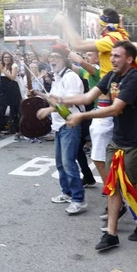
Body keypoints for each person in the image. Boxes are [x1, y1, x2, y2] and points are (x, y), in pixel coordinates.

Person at [57, 41, 137, 249]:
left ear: (129, 59)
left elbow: (115, 109)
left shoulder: (135, 78)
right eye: (111, 55)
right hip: (117, 140)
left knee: (128, 185)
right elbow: (87, 96)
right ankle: (111, 235)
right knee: (113, 186)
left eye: (117, 56)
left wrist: (81, 116)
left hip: (136, 142)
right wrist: (60, 101)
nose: (112, 59)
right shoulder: (111, 76)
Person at [36, 45, 86, 215]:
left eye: (56, 57)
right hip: (59, 125)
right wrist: (39, 94)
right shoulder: (58, 77)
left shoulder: (70, 77)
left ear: (65, 60)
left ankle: (78, 200)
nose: (52, 60)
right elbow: (55, 99)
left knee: (68, 163)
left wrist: (48, 110)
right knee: (60, 162)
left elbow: (70, 102)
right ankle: (67, 192)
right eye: (51, 57)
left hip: (70, 124)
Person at [0, 52, 22, 141]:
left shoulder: (14, 65)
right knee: (1, 111)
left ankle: (17, 132)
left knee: (14, 112)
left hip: (13, 90)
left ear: (10, 58)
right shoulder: (1, 66)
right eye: (5, 57)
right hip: (4, 91)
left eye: (8, 57)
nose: (6, 59)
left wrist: (3, 70)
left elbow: (13, 77)